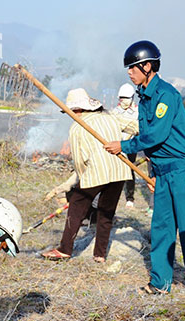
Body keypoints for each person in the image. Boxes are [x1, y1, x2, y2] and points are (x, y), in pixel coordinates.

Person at [104, 40, 185, 294]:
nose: (129, 73)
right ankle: (160, 282)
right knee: (161, 229)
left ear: (147, 66)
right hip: (162, 172)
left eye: (133, 67)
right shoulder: (144, 96)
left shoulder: (166, 96)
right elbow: (150, 138)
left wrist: (124, 146)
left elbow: (156, 135)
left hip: (182, 170)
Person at [42, 88, 132, 263]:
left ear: (77, 110)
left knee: (76, 206)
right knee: (106, 213)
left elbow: (79, 161)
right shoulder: (109, 116)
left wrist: (80, 182)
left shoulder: (77, 128)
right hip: (120, 169)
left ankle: (65, 249)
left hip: (96, 171)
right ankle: (100, 255)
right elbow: (134, 127)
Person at [111, 83, 140, 208]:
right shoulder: (115, 112)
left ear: (132, 97)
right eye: (121, 98)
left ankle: (130, 197)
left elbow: (137, 128)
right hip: (117, 143)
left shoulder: (137, 111)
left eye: (126, 98)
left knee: (129, 170)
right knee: (115, 170)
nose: (123, 100)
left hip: (131, 145)